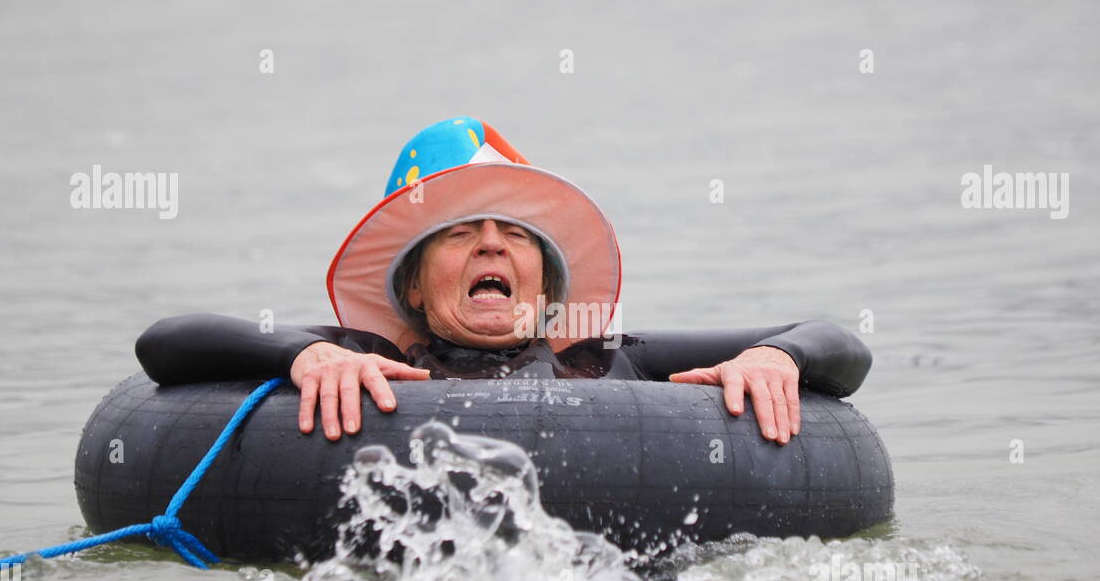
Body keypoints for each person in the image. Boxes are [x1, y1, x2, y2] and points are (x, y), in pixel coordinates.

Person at [136, 117, 872, 444]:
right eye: (459, 232)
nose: (492, 242)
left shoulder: (611, 359)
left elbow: (838, 344)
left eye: (515, 233)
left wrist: (780, 358)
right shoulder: (360, 355)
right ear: (415, 290)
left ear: (546, 290)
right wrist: (300, 354)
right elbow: (164, 344)